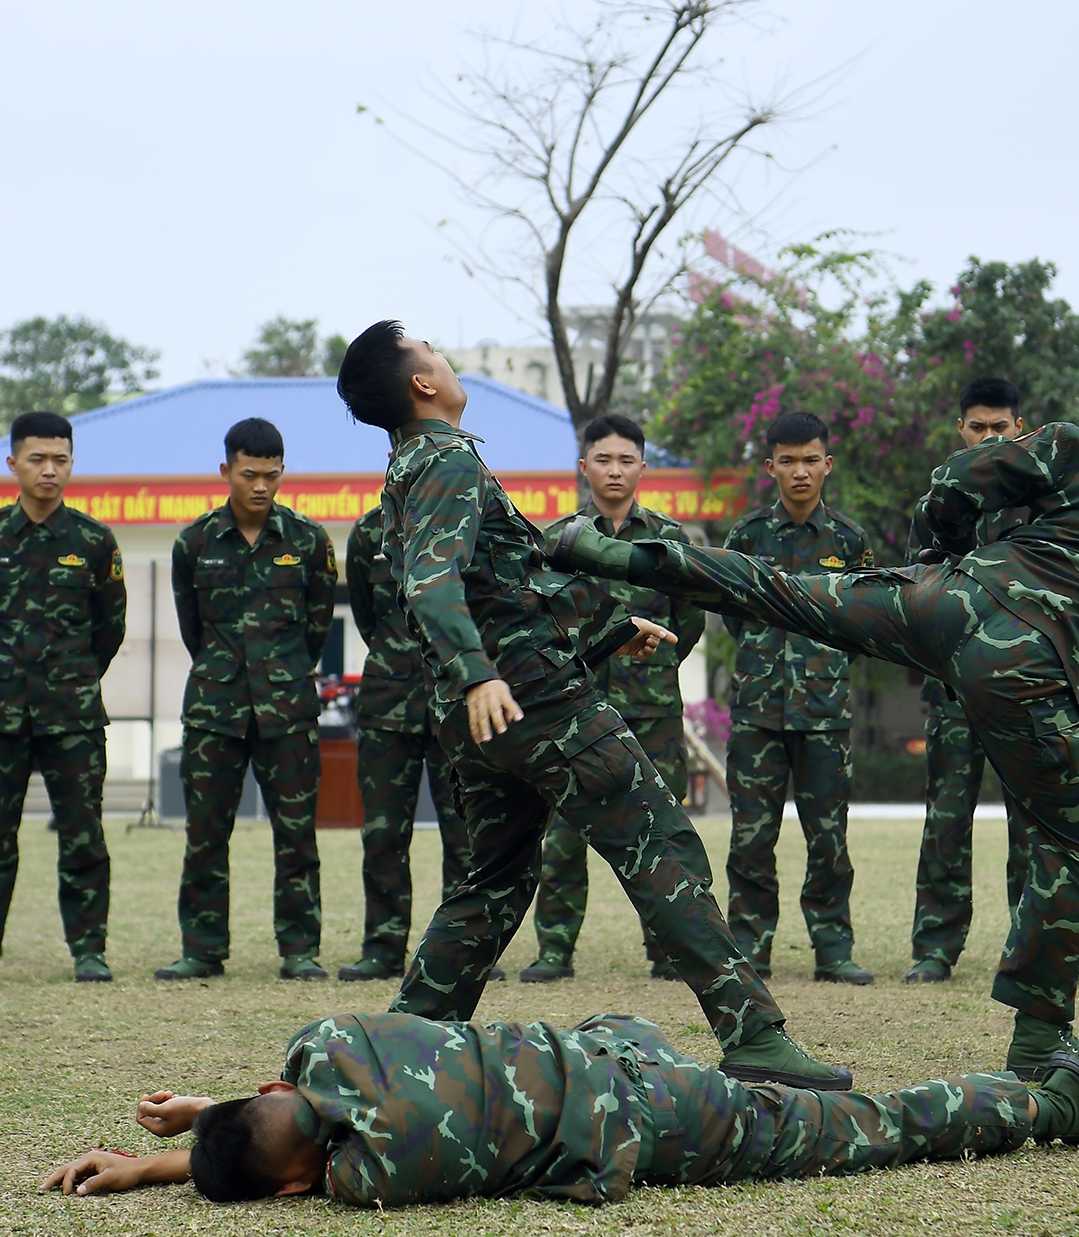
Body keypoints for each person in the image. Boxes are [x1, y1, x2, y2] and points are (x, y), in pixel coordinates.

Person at [553, 343, 1079, 1084]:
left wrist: (943, 553)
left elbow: (958, 478)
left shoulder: (1074, 447)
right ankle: (1042, 1037)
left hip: (946, 601)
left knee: (780, 591)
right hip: (1033, 668)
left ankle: (606, 555)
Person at [333, 320, 851, 1090]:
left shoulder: (411, 467)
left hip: (490, 714)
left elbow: (502, 591)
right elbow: (431, 586)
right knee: (660, 842)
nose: (444, 354)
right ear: (422, 383)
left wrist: (607, 634)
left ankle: (407, 1043)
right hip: (527, 703)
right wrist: (480, 673)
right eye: (432, 349)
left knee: (493, 881)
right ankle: (754, 1033)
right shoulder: (444, 462)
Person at [39, 1012, 1079, 1206]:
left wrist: (168, 1163)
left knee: (871, 1127)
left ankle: (1050, 1106)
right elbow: (286, 1114)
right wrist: (196, 1121)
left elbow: (300, 1166)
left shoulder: (375, 1178)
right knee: (616, 1023)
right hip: (600, 1051)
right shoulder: (324, 1043)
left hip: (654, 1118)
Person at [0, 411, 126, 985]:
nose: (50, 470)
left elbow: (108, 630)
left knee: (83, 836)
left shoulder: (94, 541)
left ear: (72, 463)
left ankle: (88, 951)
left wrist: (68, 677)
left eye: (61, 459)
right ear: (13, 463)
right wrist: (6, 673)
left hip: (71, 716)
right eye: (38, 459)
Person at [524, 414, 707, 984]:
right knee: (561, 832)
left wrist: (654, 667)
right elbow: (541, 623)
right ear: (585, 467)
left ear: (643, 468)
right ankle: (554, 949)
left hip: (651, 710)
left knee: (660, 828)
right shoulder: (557, 541)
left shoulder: (669, 540)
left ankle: (668, 950)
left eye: (626, 460)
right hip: (573, 709)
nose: (615, 470)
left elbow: (689, 622)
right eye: (603, 459)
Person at [157, 418, 338, 982]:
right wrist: (225, 673)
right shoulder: (194, 543)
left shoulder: (309, 542)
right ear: (226, 472)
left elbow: (316, 631)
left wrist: (281, 674)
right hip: (215, 710)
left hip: (287, 711)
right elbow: (194, 630)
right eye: (249, 474)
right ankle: (203, 948)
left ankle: (299, 949)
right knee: (206, 832)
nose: (260, 486)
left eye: (271, 475)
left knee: (296, 834)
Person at [721, 411, 875, 985]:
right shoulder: (746, 538)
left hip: (824, 716)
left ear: (827, 464)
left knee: (829, 839)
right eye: (788, 461)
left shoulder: (850, 541)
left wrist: (823, 669)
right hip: (757, 713)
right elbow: (734, 618)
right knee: (751, 838)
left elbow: (861, 624)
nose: (800, 471)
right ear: (770, 467)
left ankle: (833, 949)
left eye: (811, 459)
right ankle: (749, 948)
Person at [905, 378, 1030, 984]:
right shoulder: (934, 508)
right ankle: (935, 946)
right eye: (977, 427)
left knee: (1030, 825)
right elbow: (915, 597)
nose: (988, 437)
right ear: (961, 431)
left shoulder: (1040, 506)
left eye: (999, 427)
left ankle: (1029, 949)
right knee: (946, 822)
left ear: (1019, 428)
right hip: (953, 693)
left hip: (1026, 693)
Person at [337, 504, 481, 983]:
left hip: (455, 701)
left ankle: (463, 949)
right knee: (383, 836)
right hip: (388, 704)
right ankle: (382, 947)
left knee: (465, 835)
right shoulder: (367, 533)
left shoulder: (464, 522)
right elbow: (364, 615)